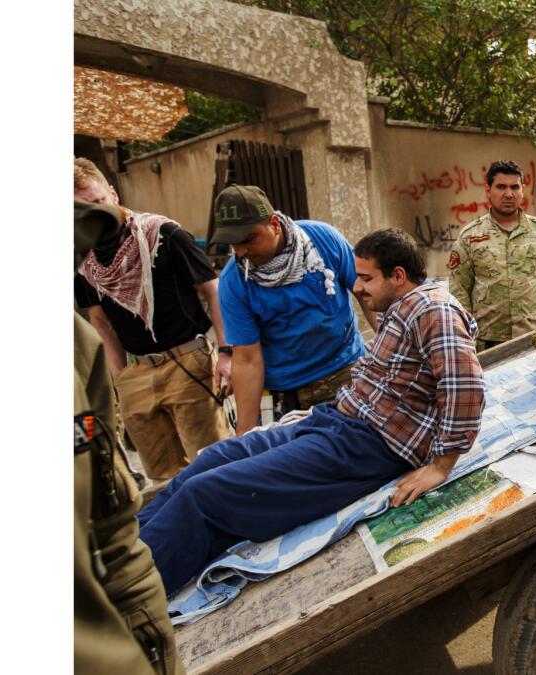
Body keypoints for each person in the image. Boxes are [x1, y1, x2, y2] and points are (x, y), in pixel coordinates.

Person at [137, 228, 485, 595]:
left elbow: (465, 386)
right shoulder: (404, 308)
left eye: (367, 279)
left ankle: (127, 598)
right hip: (337, 422)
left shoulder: (434, 310)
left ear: (398, 276)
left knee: (205, 495)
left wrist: (441, 465)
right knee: (213, 459)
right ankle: (120, 560)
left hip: (366, 447)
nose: (359, 288)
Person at [74, 157, 231, 482]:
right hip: (137, 373)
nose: (96, 215)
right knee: (163, 477)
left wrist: (226, 352)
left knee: (213, 469)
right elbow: (100, 322)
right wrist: (121, 381)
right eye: (84, 209)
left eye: (99, 202)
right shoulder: (85, 262)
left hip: (188, 361)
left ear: (113, 195)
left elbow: (213, 291)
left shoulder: (164, 234)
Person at [74, 200, 180, 675]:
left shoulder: (71, 346)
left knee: (194, 478)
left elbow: (115, 531)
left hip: (182, 363)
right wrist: (129, 381)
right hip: (137, 376)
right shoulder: (89, 275)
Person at [211, 185, 379, 435]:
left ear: (274, 224)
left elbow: (368, 296)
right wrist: (244, 434)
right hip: (286, 394)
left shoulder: (324, 240)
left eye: (248, 239)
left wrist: (392, 357)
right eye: (233, 244)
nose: (242, 251)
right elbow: (247, 359)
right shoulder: (234, 282)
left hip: (347, 374)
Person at [448, 160, 536, 349]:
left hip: (534, 337)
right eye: (501, 187)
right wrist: (466, 337)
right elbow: (459, 290)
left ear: (523, 189)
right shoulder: (470, 236)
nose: (508, 194)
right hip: (486, 342)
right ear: (488, 190)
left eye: (514, 187)